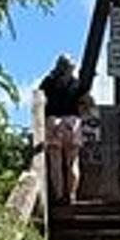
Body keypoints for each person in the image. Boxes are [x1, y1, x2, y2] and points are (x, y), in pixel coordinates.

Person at [39, 55, 89, 204]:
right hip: (71, 124)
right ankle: (72, 195)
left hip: (53, 122)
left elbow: (40, 100)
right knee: (72, 162)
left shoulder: (48, 82)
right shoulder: (76, 84)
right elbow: (87, 103)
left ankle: (59, 196)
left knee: (55, 163)